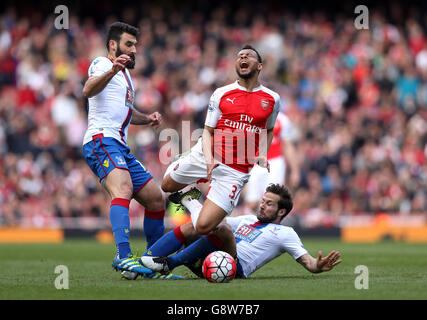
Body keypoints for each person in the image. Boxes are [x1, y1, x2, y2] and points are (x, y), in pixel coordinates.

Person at [159, 45, 281, 243]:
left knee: (203, 227)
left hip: (236, 170)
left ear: (259, 66)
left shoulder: (272, 99)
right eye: (240, 55)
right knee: (166, 185)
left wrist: (263, 154)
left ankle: (189, 198)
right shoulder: (221, 93)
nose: (243, 57)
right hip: (207, 155)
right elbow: (207, 132)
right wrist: (209, 160)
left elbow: (268, 129)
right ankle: (186, 162)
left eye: (248, 55)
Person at [81, 22, 170, 277]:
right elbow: (87, 90)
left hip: (119, 144)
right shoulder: (102, 64)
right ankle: (123, 255)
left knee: (155, 199)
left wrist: (147, 118)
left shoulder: (126, 76)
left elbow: (127, 114)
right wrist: (112, 70)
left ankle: (153, 260)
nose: (133, 50)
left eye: (135, 46)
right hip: (101, 140)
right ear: (113, 45)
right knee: (123, 189)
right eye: (128, 44)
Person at [142, 184, 342, 278]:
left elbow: (308, 262)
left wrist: (318, 265)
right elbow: (210, 223)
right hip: (209, 258)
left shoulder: (285, 234)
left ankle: (171, 263)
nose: (262, 206)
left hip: (234, 267)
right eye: (263, 201)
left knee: (223, 230)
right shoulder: (248, 219)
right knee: (195, 226)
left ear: (281, 211)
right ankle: (145, 261)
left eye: (269, 204)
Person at [243, 111, 300, 213]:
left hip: (275, 162)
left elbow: (288, 146)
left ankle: (269, 226)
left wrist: (295, 170)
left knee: (272, 199)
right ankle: (251, 225)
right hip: (255, 163)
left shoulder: (282, 119)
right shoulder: (250, 117)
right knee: (252, 203)